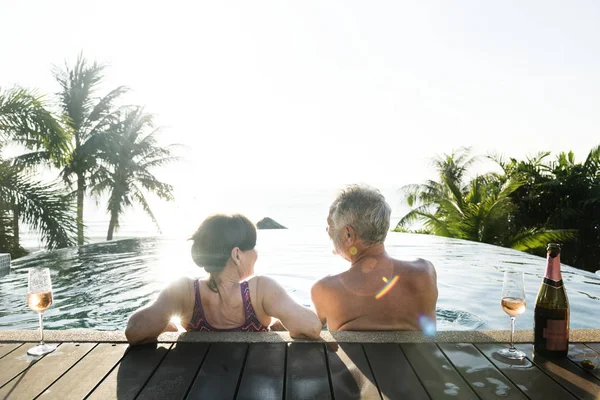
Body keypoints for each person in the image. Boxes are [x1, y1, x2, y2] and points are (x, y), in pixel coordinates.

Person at [126, 214, 322, 345]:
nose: (256, 253)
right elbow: (311, 327)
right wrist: (287, 324)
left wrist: (167, 327)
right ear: (237, 254)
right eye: (252, 246)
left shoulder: (184, 291)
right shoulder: (261, 289)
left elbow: (135, 330)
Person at [311, 185, 438, 331]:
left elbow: (307, 326)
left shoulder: (326, 289)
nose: (328, 232)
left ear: (348, 235)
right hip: (419, 354)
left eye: (329, 226)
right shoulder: (425, 273)